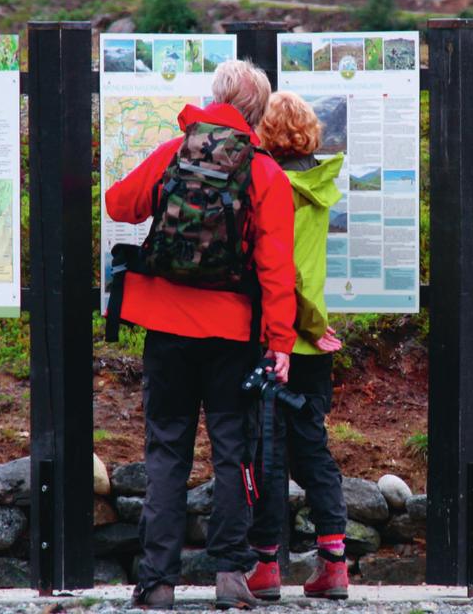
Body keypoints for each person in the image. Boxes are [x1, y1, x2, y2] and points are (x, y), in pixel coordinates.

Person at [104, 60, 297, 610]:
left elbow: (119, 203)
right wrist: (280, 343)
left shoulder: (175, 152)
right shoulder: (265, 174)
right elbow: (277, 271)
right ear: (257, 113)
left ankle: (157, 583)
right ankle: (231, 577)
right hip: (233, 335)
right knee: (233, 452)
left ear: (215, 98)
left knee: (167, 450)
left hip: (166, 327)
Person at [244, 91, 350, 601]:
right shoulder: (321, 184)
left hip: (283, 336)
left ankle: (266, 569)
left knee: (266, 455)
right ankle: (334, 564)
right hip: (313, 347)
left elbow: (289, 271)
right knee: (314, 450)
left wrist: (303, 325)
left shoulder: (272, 186)